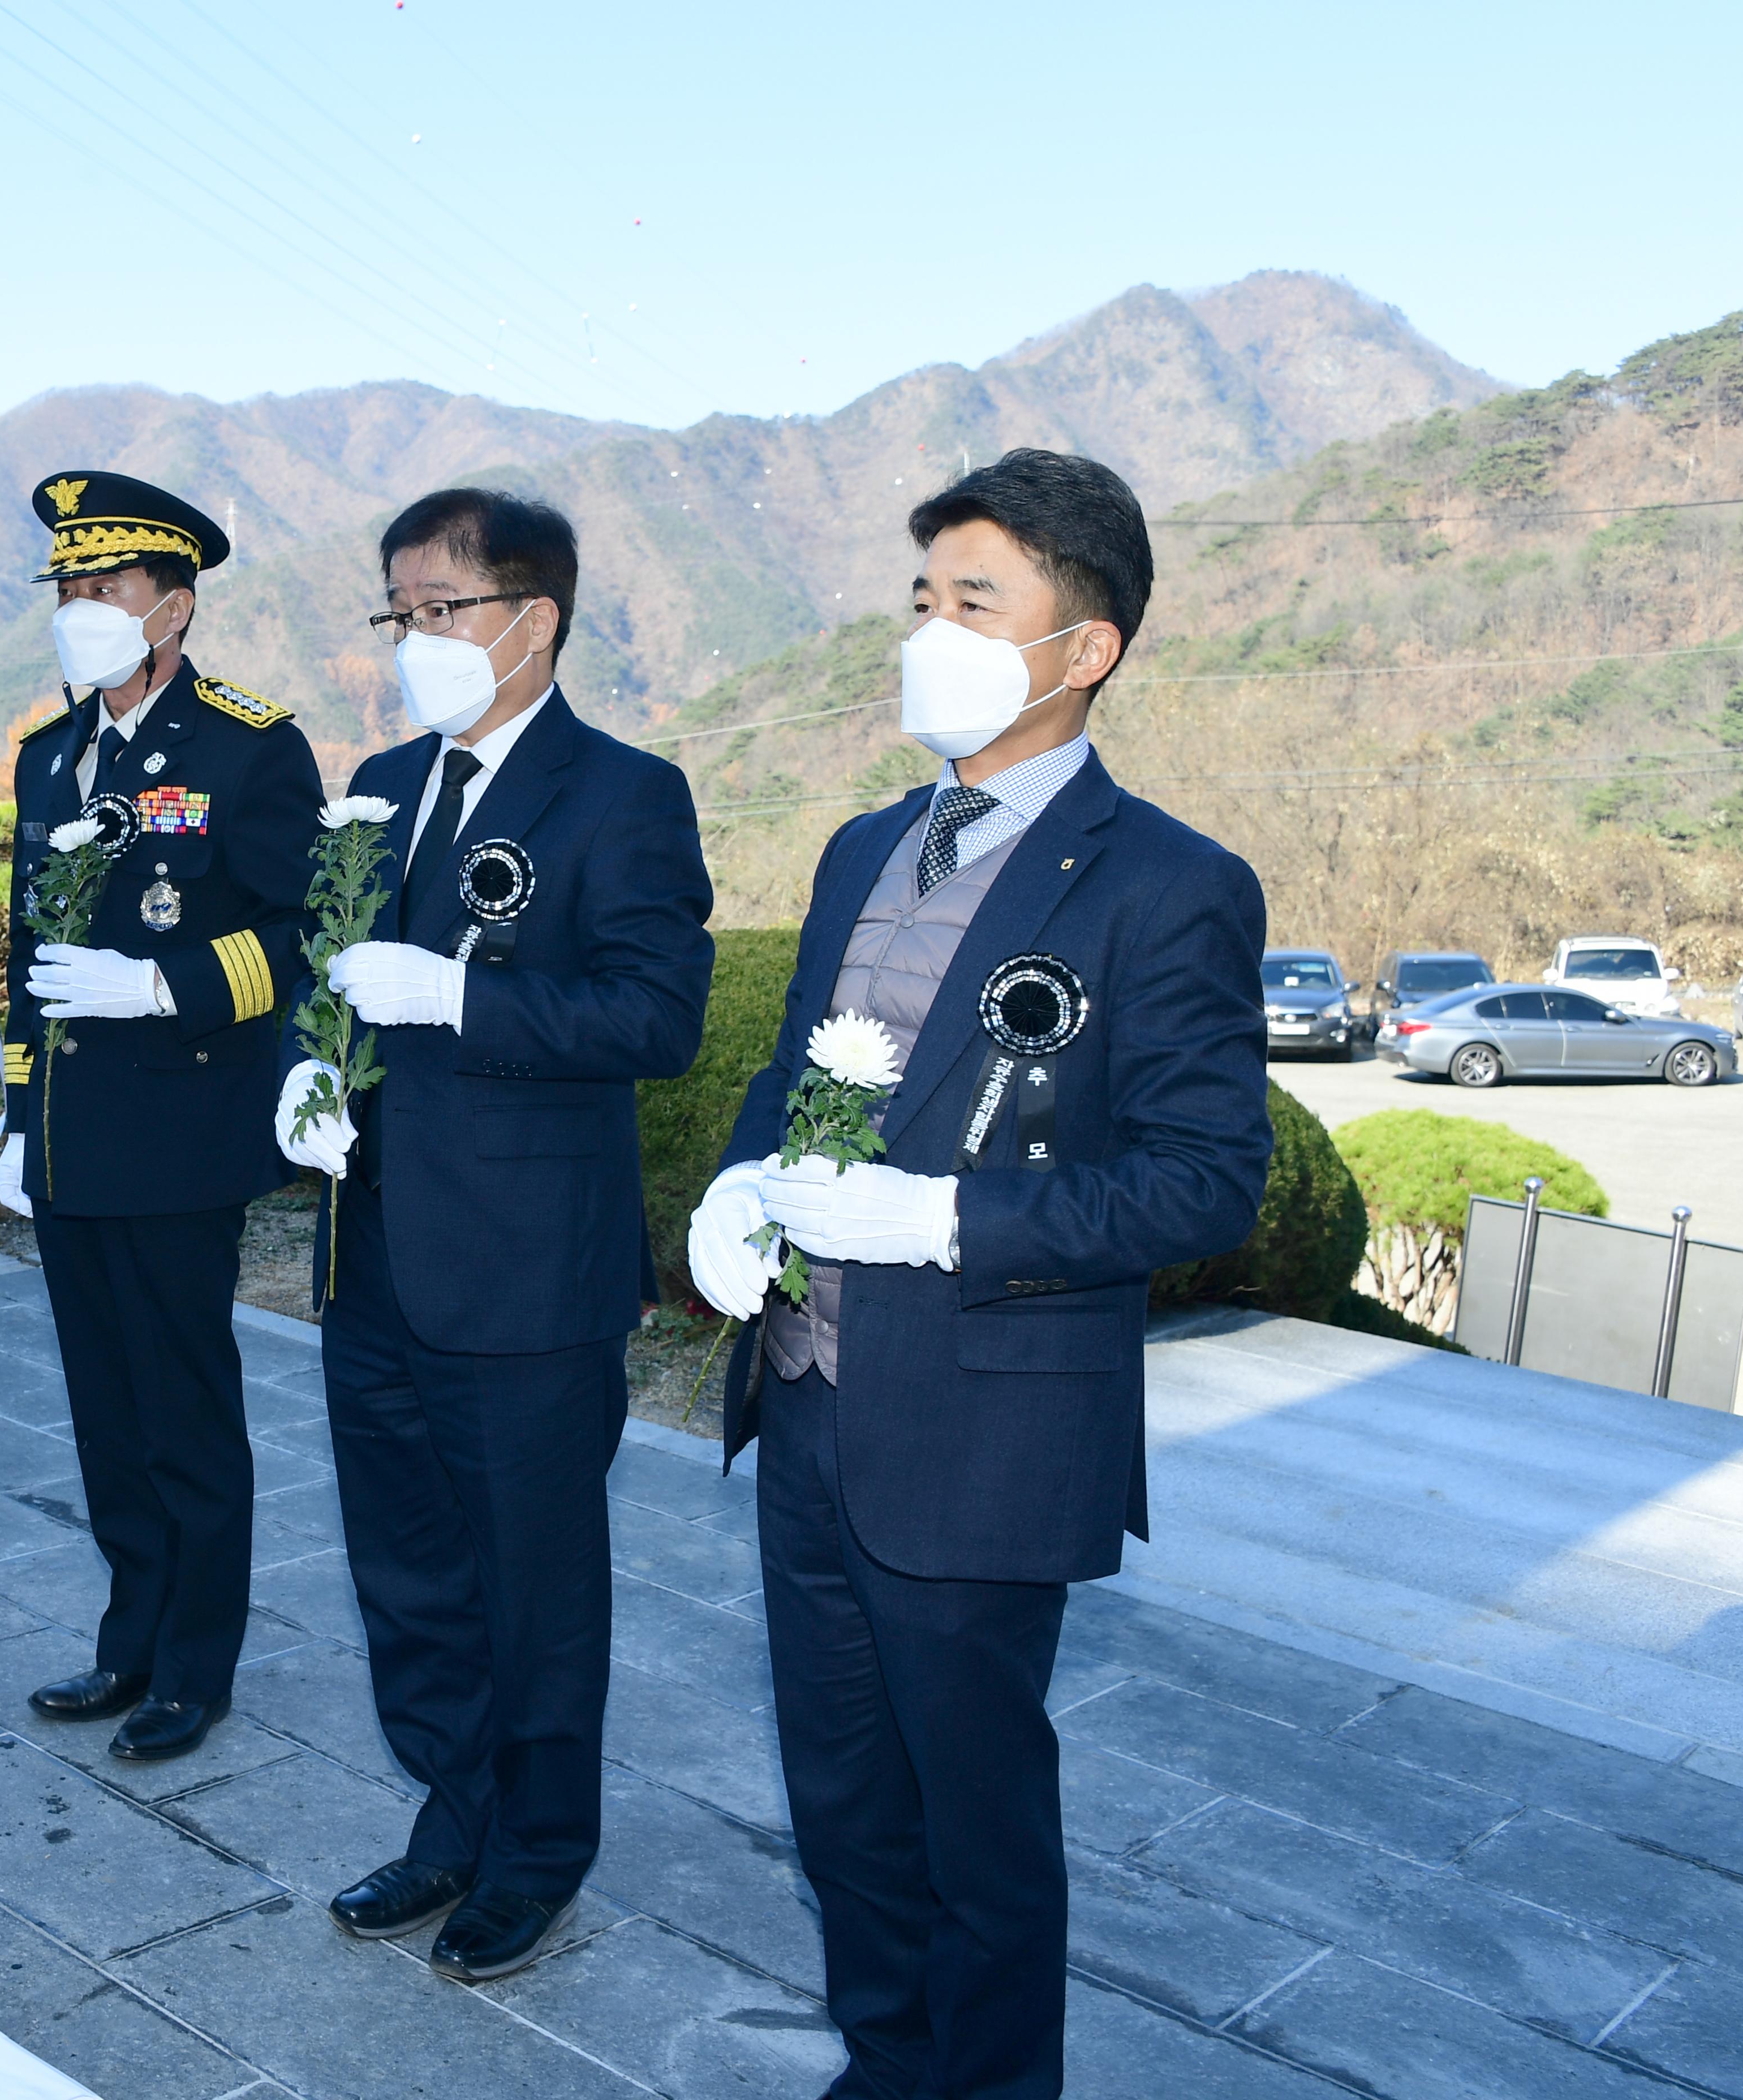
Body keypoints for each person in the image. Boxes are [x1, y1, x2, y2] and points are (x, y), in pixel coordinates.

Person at [683, 448, 1271, 2098]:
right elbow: (800, 1063)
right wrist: (741, 1189)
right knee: (844, 1799)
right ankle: (885, 2061)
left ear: (1080, 646)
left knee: (975, 1819)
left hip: (982, 1429)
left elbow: (1204, 1177)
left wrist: (942, 1222)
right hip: (803, 1404)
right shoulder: (866, 843)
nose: (928, 631)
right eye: (921, 598)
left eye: (973, 600)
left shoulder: (1164, 884)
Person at [276, 488, 714, 1983]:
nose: (411, 641)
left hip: (526, 1282)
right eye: (395, 612)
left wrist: (462, 1000)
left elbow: (657, 1019)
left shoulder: (623, 794)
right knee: (408, 1575)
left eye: (440, 610)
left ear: (533, 618)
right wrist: (311, 1073)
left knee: (532, 1584)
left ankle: (537, 1856)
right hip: (375, 1260)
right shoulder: (385, 781)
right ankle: (451, 1818)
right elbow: (324, 977)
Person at [0, 469, 322, 1761]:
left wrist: (160, 983)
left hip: (182, 1135)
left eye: (106, 585)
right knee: (104, 1413)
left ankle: (196, 1662)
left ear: (172, 609)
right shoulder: (45, 755)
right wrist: (21, 1115)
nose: (81, 606)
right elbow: (30, 951)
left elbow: (306, 930)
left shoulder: (248, 748)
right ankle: (127, 1637)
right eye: (67, 586)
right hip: (73, 1138)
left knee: (183, 1414)